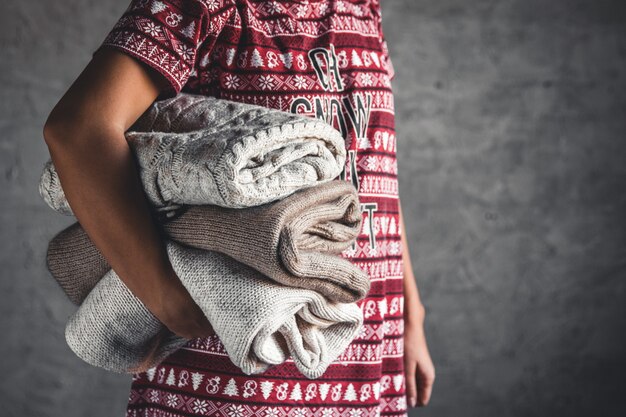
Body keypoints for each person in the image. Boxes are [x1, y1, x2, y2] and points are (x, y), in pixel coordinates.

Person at [42, 0, 435, 416]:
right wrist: (163, 294)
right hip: (246, 359)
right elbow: (78, 130)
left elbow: (373, 168)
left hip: (369, 345)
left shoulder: (361, 9)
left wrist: (411, 316)